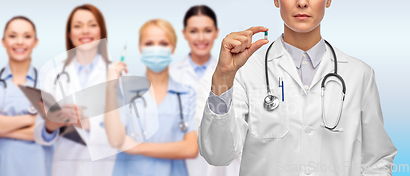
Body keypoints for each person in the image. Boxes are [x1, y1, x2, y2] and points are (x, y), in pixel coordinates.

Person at [199, 0, 397, 175]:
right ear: (276, 0)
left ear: (328, 0)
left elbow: (377, 160)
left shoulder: (359, 74)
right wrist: (223, 77)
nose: (302, 2)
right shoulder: (246, 71)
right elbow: (218, 155)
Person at [104, 19, 198, 176]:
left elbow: (191, 148)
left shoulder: (187, 94)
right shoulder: (123, 91)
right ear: (140, 48)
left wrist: (136, 147)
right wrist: (109, 88)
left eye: (163, 43)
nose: (156, 49)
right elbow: (116, 140)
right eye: (149, 43)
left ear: (173, 48)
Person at [33, 4, 116, 176]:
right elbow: (40, 136)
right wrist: (50, 125)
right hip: (65, 168)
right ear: (70, 34)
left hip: (103, 168)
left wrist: (85, 123)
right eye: (78, 26)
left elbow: (125, 131)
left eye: (92, 25)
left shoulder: (116, 74)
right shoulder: (53, 76)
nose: (85, 31)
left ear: (101, 31)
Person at [0, 16, 52, 176]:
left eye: (27, 36)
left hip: (38, 169)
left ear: (35, 42)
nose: (20, 42)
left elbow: (50, 132)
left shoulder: (49, 82)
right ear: (3, 42)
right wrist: (31, 120)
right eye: (13, 36)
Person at [169, 5, 241, 176]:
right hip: (180, 164)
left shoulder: (234, 73)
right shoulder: (170, 75)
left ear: (216, 33)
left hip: (222, 166)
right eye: (194, 31)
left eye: (207, 30)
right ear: (184, 33)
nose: (201, 37)